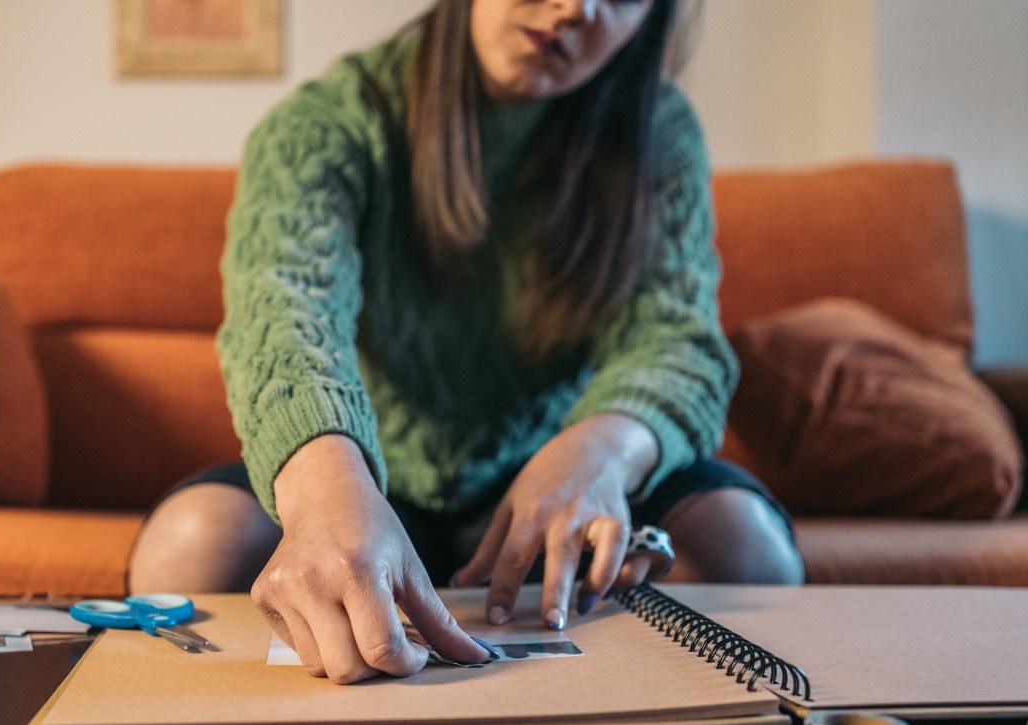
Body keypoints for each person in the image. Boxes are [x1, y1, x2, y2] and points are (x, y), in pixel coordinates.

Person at [129, 0, 804, 684]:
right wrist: (323, 489)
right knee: (191, 544)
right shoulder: (324, 123)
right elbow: (282, 318)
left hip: (559, 493)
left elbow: (680, 344)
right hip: (368, 478)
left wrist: (603, 451)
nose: (575, 8)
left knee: (745, 543)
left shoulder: (660, 130)